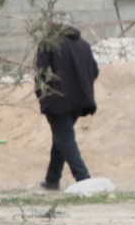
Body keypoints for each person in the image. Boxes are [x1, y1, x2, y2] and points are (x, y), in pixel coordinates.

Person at [34, 23, 99, 191]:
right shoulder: (83, 44)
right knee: (62, 138)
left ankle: (83, 178)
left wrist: (42, 94)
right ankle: (52, 179)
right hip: (80, 99)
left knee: (64, 138)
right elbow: (95, 70)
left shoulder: (48, 44)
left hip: (58, 99)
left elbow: (41, 71)